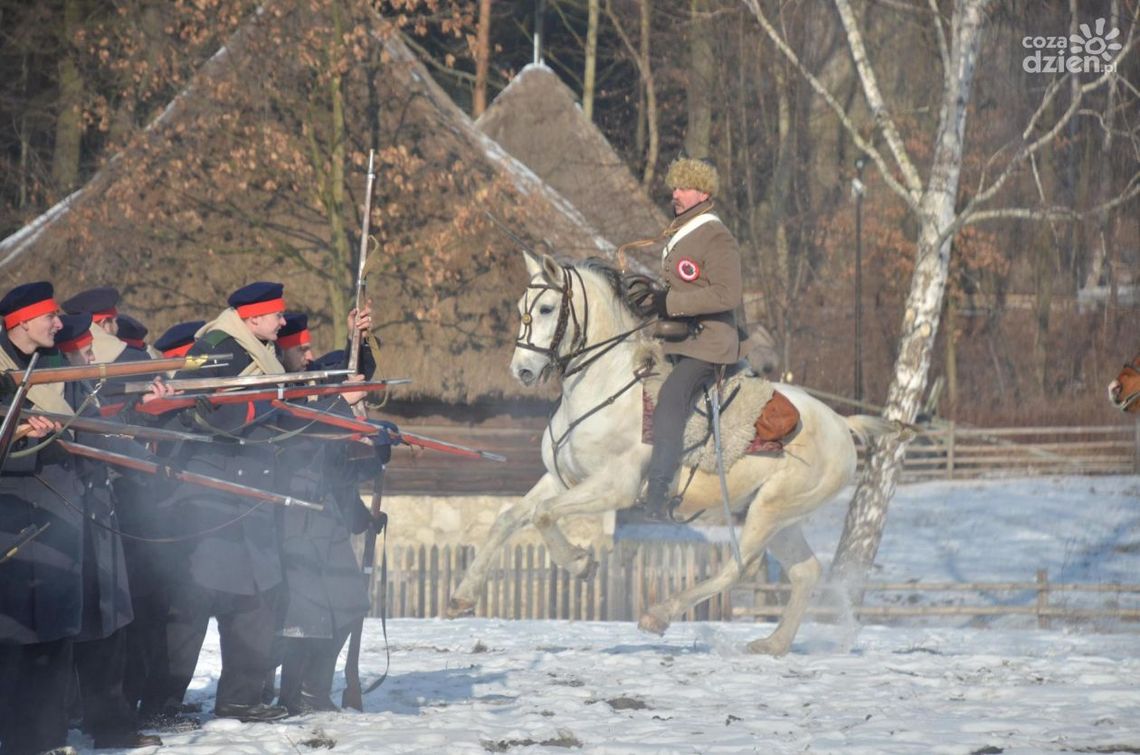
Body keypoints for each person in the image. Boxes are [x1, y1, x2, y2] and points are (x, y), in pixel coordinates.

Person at [0, 282, 162, 753]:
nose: (59, 323)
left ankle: (59, 737)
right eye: (49, 316)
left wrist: (145, 425)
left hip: (74, 512)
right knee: (25, 643)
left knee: (75, 634)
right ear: (22, 322)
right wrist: (23, 429)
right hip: (24, 520)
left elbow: (89, 429)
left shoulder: (51, 366)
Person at [138, 282, 291, 724]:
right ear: (253, 318)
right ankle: (161, 705)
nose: (282, 322)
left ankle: (241, 699)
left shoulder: (263, 354)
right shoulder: (216, 346)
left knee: (256, 605)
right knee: (191, 608)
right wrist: (263, 406)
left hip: (249, 499)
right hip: (212, 499)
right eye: (276, 314)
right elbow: (194, 405)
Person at [626, 157, 743, 521]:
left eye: (684, 187)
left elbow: (728, 295)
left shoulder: (717, 236)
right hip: (678, 341)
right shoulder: (682, 232)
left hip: (710, 345)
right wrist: (651, 301)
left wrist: (670, 302)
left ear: (703, 192)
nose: (675, 194)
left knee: (672, 399)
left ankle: (658, 496)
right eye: (674, 187)